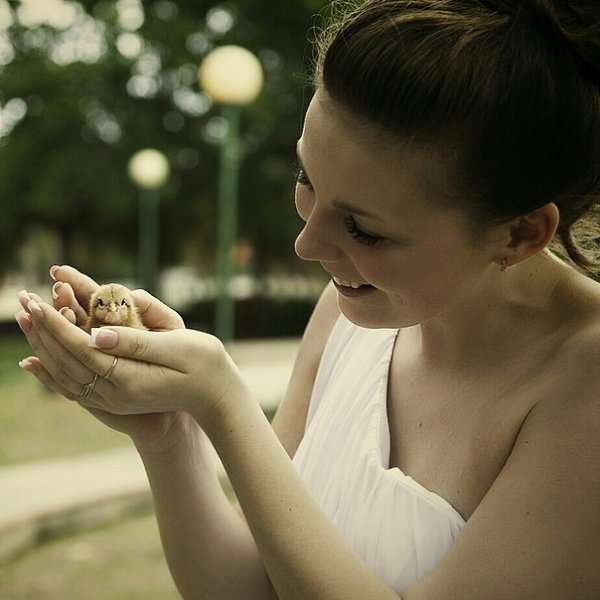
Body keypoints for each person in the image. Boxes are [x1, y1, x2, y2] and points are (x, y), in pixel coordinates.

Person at [15, 0, 600, 597]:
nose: (306, 245)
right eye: (306, 180)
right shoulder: (349, 313)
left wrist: (227, 403)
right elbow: (249, 588)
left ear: (520, 233)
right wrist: (169, 433)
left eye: (364, 230)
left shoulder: (585, 383)